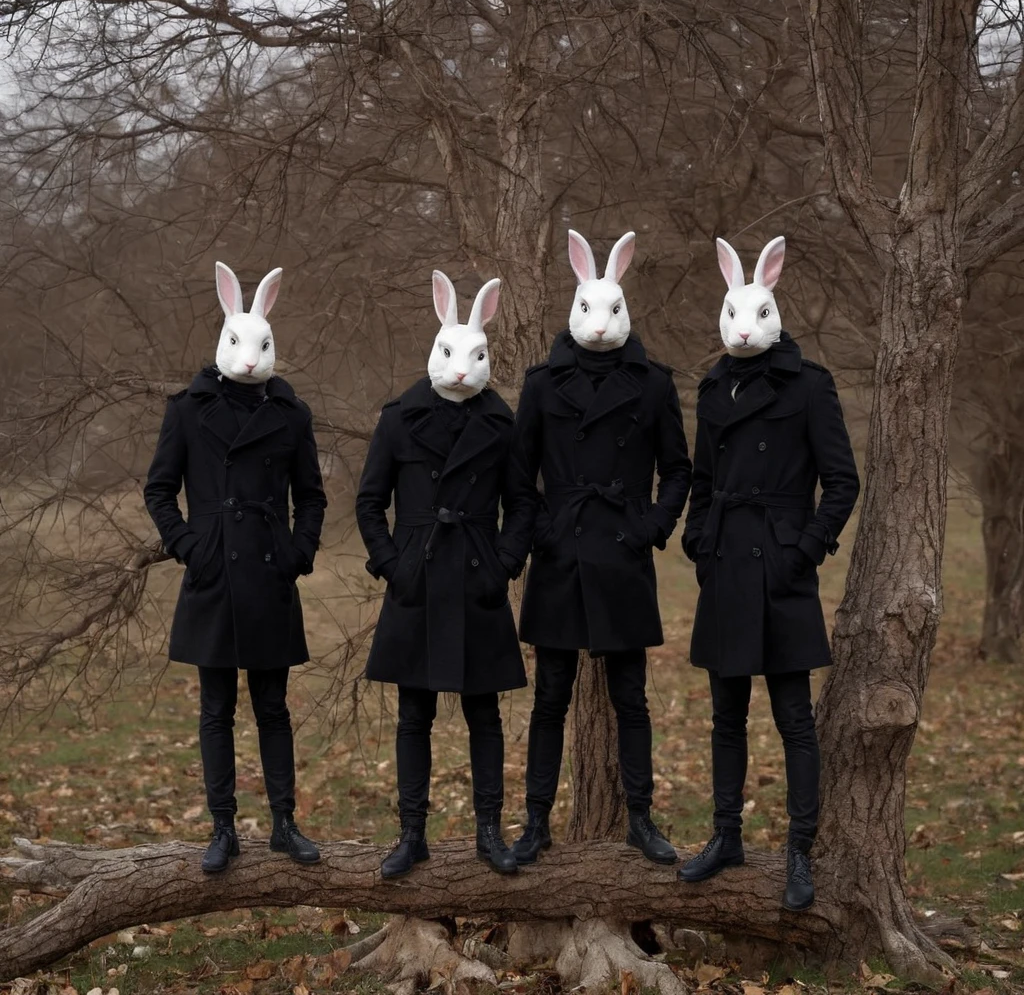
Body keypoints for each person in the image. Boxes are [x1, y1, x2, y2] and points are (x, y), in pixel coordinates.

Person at [677, 236, 859, 911]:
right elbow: (701, 478)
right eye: (735, 313)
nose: (745, 327)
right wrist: (699, 540)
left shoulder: (810, 386)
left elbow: (842, 482)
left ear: (773, 305)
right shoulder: (713, 385)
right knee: (726, 714)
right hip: (726, 561)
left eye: (756, 312)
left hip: (780, 568)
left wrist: (803, 551)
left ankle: (799, 856)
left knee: (793, 719)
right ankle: (726, 837)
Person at [510, 229, 692, 867]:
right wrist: (542, 530)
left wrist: (649, 528)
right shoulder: (539, 386)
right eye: (589, 306)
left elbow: (678, 471)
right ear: (575, 303)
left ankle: (640, 819)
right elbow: (517, 473)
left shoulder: (652, 384)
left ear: (624, 307)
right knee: (550, 695)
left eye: (610, 308)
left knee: (630, 696)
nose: (598, 322)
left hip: (621, 552)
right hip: (561, 554)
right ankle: (535, 824)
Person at [144, 262, 326, 874]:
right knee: (215, 707)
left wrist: (299, 554)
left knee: (273, 707)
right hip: (213, 574)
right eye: (238, 345)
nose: (249, 360)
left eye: (260, 347)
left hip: (270, 575)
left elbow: (313, 496)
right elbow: (159, 491)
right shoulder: (189, 410)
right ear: (222, 337)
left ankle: (284, 823)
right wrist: (190, 547)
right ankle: (222, 828)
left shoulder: (292, 415)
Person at [356, 271, 536, 878]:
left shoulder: (502, 424)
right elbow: (368, 502)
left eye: (474, 357)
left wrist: (504, 566)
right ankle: (413, 834)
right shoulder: (399, 419)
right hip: (418, 578)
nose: (461, 369)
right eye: (451, 355)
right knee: (415, 713)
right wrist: (391, 565)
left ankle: (490, 831)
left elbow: (524, 505)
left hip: (478, 575)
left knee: (484, 712)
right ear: (436, 347)